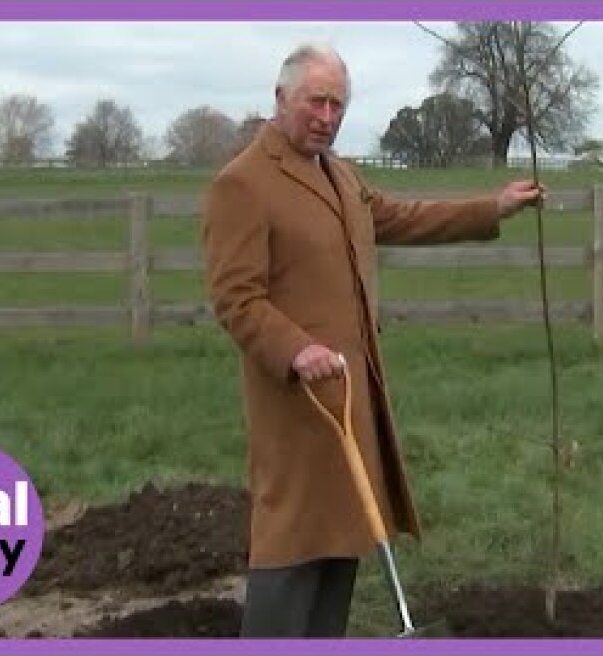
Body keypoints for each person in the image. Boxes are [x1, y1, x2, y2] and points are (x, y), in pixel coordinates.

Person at [200, 42, 544, 638]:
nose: (326, 117)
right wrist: (295, 349)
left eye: (337, 105)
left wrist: (493, 208)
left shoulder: (338, 174)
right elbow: (236, 296)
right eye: (316, 102)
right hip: (296, 403)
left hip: (349, 397)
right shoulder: (244, 183)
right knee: (291, 545)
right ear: (281, 98)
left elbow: (404, 217)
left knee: (343, 538)